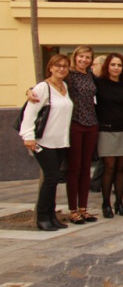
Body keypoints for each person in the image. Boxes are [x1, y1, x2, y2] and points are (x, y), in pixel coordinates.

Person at [19, 54, 75, 231]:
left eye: (65, 66)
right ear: (50, 67)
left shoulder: (64, 86)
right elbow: (30, 112)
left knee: (53, 179)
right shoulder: (43, 87)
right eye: (57, 65)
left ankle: (51, 215)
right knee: (50, 178)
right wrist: (28, 135)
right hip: (43, 142)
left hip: (60, 141)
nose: (61, 69)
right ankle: (42, 217)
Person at [95, 53, 123, 218]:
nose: (116, 68)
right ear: (107, 67)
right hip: (106, 130)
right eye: (113, 65)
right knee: (109, 168)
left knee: (120, 169)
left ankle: (119, 202)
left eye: (119, 65)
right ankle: (106, 204)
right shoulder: (99, 83)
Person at [65, 45, 100, 224]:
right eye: (81, 57)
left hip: (91, 124)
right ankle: (72, 210)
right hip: (75, 123)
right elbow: (48, 84)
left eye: (87, 57)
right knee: (74, 168)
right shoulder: (68, 75)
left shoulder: (91, 76)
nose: (84, 60)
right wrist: (29, 91)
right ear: (75, 57)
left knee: (86, 168)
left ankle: (83, 208)